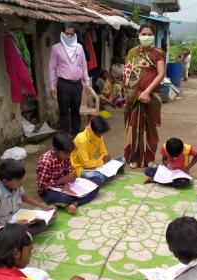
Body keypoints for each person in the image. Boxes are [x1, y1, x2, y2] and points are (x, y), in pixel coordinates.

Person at [124, 23, 166, 169]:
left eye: (149, 34)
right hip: (135, 96)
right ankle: (134, 158)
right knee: (134, 127)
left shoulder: (158, 53)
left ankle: (150, 159)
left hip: (151, 96)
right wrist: (136, 93)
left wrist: (147, 92)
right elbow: (127, 74)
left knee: (151, 128)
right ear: (139, 35)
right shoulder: (132, 53)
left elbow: (161, 74)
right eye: (143, 34)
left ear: (153, 36)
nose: (146, 37)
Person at [0, 159, 56, 236]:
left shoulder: (15, 184)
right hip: (3, 226)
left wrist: (43, 206)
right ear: (5, 181)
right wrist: (13, 226)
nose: (22, 182)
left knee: (51, 218)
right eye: (19, 180)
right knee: (23, 236)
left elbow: (23, 196)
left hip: (16, 217)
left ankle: (24, 232)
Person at [36, 131, 101, 215]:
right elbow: (43, 187)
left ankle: (74, 203)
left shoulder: (66, 155)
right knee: (65, 198)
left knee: (97, 182)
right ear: (55, 149)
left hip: (66, 186)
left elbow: (69, 171)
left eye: (69, 154)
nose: (67, 156)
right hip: (49, 190)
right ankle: (72, 202)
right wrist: (62, 181)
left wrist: (67, 184)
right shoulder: (45, 162)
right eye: (65, 154)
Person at [49, 22, 90, 136]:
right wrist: (52, 86)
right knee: (64, 112)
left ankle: (76, 136)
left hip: (77, 85)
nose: (69, 36)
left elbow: (84, 65)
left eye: (71, 34)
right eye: (67, 34)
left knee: (76, 111)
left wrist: (87, 82)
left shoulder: (79, 47)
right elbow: (52, 67)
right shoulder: (56, 48)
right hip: (63, 85)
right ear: (62, 33)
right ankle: (65, 137)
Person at [71, 116, 126, 184]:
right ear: (93, 131)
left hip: (94, 166)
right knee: (99, 177)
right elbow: (85, 163)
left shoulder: (99, 136)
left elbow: (103, 153)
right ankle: (104, 176)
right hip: (80, 168)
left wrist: (105, 158)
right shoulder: (81, 140)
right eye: (99, 134)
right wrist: (102, 161)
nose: (100, 136)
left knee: (122, 160)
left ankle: (105, 175)